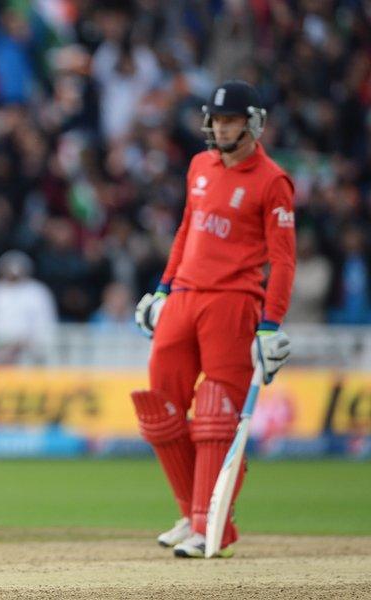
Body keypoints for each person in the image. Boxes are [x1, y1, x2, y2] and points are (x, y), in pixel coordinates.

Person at [132, 81, 295, 558]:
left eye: (232, 120)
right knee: (159, 406)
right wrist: (163, 288)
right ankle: (191, 514)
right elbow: (186, 229)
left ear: (252, 124)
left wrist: (271, 323)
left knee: (216, 413)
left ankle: (213, 522)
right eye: (218, 120)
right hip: (183, 295)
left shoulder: (272, 181)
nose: (223, 128)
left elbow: (283, 261)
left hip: (233, 301)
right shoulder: (199, 166)